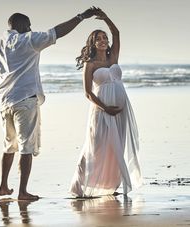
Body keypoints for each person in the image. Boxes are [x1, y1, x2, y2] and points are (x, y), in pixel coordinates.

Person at [0, 7, 101, 201]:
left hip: (3, 102)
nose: (30, 28)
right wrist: (81, 17)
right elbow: (57, 32)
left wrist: (3, 92)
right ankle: (22, 192)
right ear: (20, 25)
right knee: (26, 146)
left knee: (9, 145)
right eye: (28, 25)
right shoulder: (28, 40)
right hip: (25, 99)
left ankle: (3, 186)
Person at [69, 8, 142, 197]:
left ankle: (112, 185)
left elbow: (116, 33)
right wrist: (105, 108)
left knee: (116, 145)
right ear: (93, 44)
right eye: (98, 38)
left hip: (120, 110)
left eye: (104, 38)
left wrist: (107, 18)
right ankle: (78, 185)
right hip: (101, 111)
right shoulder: (90, 64)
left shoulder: (113, 58)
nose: (103, 40)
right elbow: (87, 93)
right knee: (95, 146)